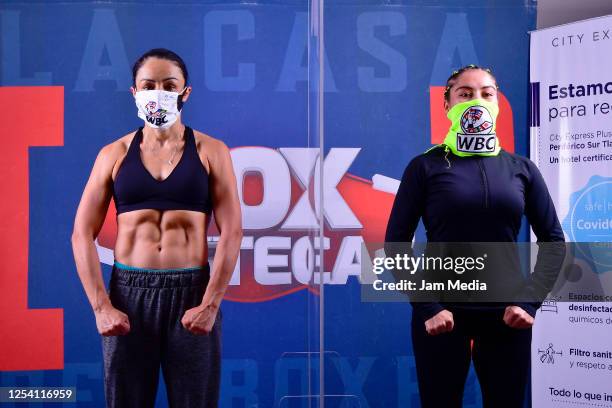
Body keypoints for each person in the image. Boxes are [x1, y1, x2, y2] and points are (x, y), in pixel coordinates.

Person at [385, 65, 565, 407]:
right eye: (465, 93)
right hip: (442, 314)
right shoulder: (425, 167)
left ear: (497, 102)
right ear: (448, 105)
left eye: (486, 93)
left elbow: (554, 241)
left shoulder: (521, 169)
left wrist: (530, 301)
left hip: (507, 315)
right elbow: (395, 243)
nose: (476, 101)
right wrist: (427, 306)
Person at [71, 48, 242, 408]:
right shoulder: (113, 153)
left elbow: (232, 233)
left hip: (191, 292)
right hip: (129, 295)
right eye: (148, 85)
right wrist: (102, 307)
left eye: (169, 85)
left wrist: (210, 305)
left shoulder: (212, 151)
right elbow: (81, 233)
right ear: (134, 92)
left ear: (185, 92)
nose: (158, 92)